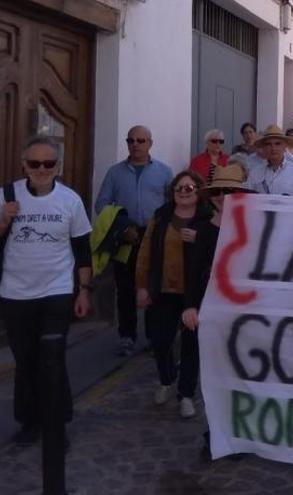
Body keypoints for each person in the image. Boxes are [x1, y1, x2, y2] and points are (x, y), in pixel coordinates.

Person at [1, 135, 92, 445]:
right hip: (15, 293)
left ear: (58, 166)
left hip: (56, 291)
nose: (41, 169)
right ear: (24, 165)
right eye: (34, 163)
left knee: (51, 358)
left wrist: (84, 290)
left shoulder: (70, 201)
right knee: (25, 361)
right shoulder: (6, 196)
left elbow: (82, 250)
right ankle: (29, 422)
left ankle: (57, 425)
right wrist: (3, 220)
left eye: (48, 163)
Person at [180, 163, 252, 455]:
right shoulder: (203, 231)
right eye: (220, 191)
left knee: (244, 375)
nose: (225, 196)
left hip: (246, 314)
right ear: (211, 196)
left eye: (231, 190)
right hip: (214, 313)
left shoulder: (256, 225)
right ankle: (218, 433)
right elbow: (194, 272)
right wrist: (189, 306)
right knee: (216, 376)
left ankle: (242, 431)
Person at [135, 170, 212, 418]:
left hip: (194, 292)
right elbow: (145, 252)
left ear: (198, 192)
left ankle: (186, 394)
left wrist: (200, 239)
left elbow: (218, 250)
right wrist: (143, 285)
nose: (183, 192)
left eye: (188, 188)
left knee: (191, 345)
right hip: (164, 289)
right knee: (160, 339)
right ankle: (167, 377)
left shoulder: (207, 219)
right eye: (179, 188)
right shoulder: (161, 217)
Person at [95, 125, 173, 356]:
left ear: (150, 143)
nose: (135, 144)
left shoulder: (164, 171)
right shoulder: (115, 173)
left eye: (140, 140)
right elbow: (102, 204)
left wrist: (161, 228)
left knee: (153, 287)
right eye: (131, 140)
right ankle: (127, 336)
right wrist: (122, 227)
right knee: (125, 288)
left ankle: (152, 335)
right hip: (125, 236)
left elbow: (172, 203)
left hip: (154, 236)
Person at [245, 125, 293, 197]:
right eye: (268, 144)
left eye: (278, 144)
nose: (273, 148)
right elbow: (247, 198)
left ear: (285, 146)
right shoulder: (255, 173)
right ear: (264, 148)